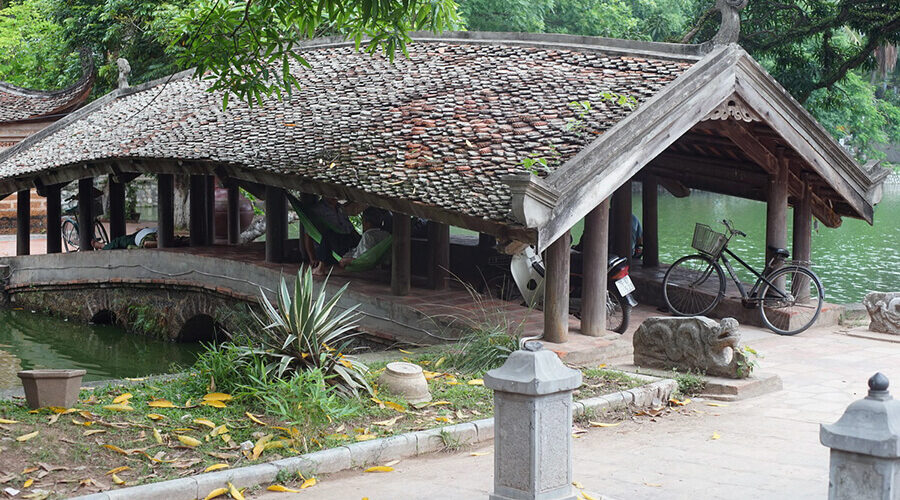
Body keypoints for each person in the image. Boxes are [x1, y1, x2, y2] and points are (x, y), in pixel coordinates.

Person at [313, 207, 389, 275]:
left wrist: (346, 261)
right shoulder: (386, 235)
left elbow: (364, 258)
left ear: (367, 223)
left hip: (351, 259)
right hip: (359, 252)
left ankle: (320, 268)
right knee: (349, 236)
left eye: (363, 222)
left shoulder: (368, 235)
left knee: (328, 235)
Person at [93, 227, 157, 250]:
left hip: (139, 239)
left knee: (119, 241)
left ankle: (103, 246)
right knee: (122, 239)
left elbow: (147, 244)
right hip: (142, 233)